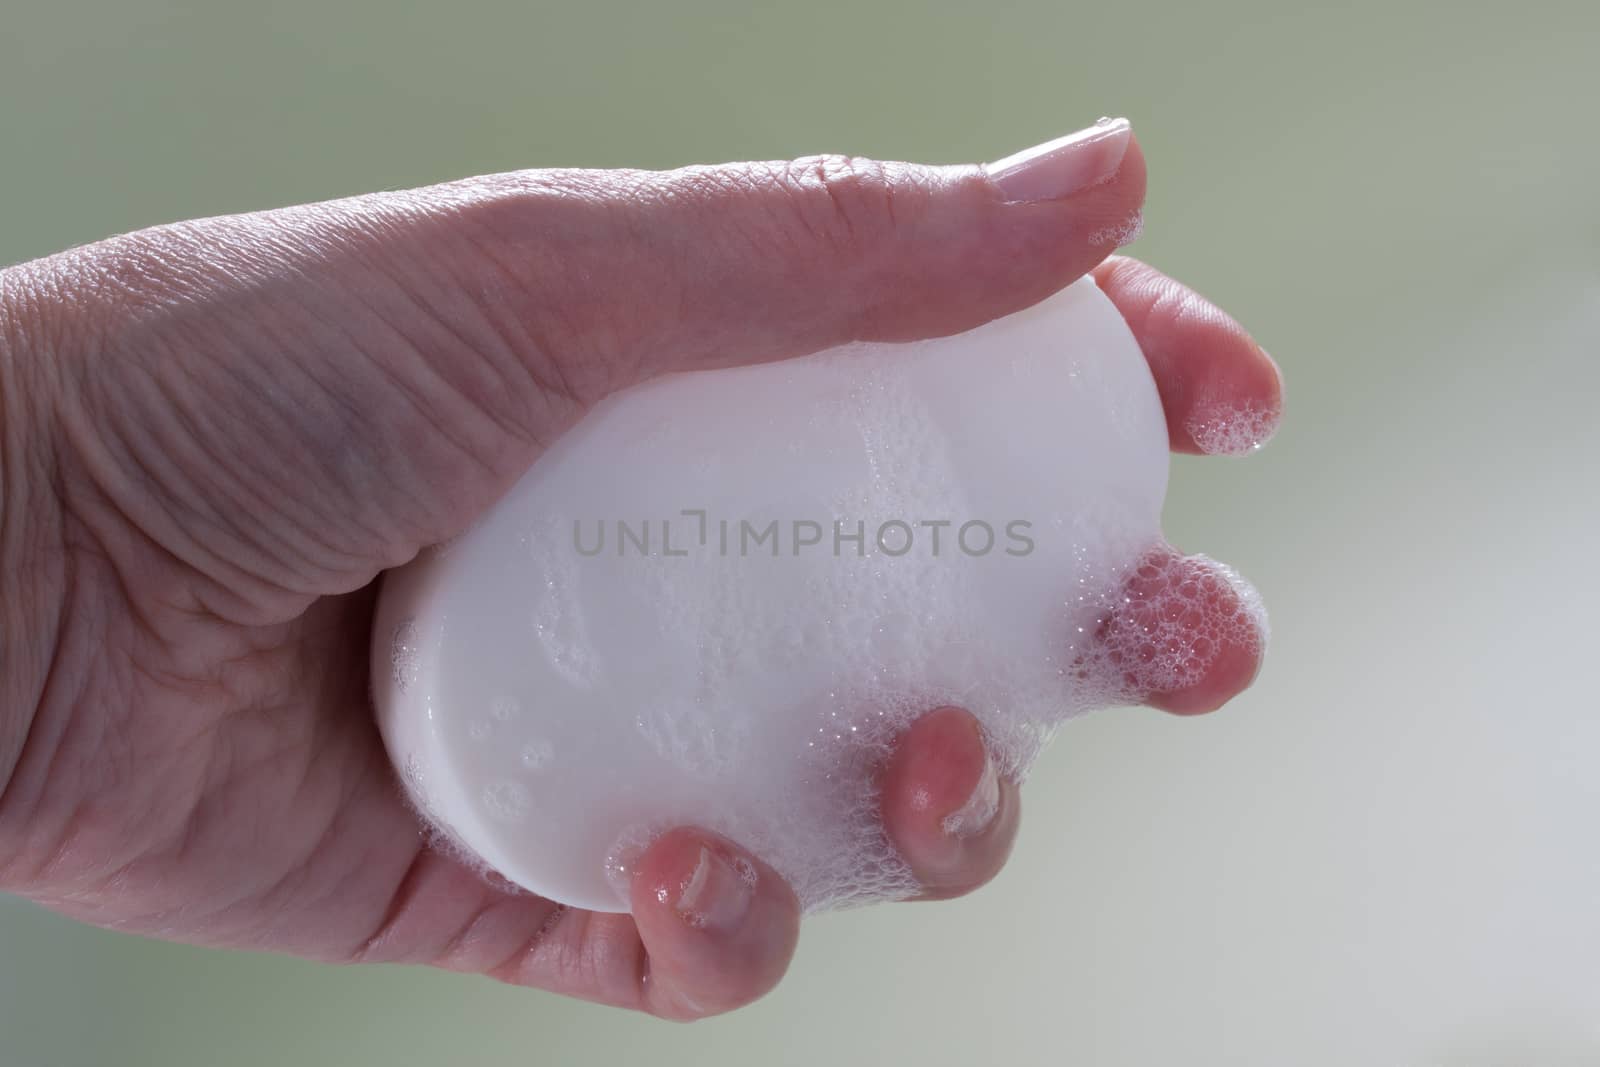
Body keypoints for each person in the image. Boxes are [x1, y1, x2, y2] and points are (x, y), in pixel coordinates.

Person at [0, 117, 1281, 1020]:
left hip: (510, 781)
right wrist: (66, 495)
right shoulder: (1033, 386)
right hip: (502, 772)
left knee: (933, 773)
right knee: (930, 778)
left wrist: (65, 533)